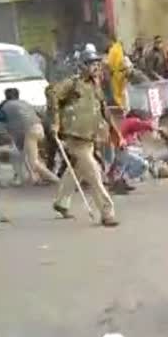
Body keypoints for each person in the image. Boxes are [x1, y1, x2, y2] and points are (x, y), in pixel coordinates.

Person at [48, 46, 122, 227]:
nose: (95, 67)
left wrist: (115, 131)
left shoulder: (96, 86)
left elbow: (103, 108)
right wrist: (56, 122)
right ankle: (107, 212)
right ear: (82, 65)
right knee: (94, 172)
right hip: (75, 137)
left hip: (90, 136)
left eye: (97, 63)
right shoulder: (72, 84)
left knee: (77, 170)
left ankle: (61, 202)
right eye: (91, 63)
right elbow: (52, 93)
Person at [0, 88, 59, 185]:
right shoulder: (25, 103)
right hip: (39, 129)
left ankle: (55, 179)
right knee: (31, 155)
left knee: (33, 161)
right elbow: (39, 114)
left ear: (6, 96)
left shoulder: (5, 107)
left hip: (30, 131)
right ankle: (36, 178)